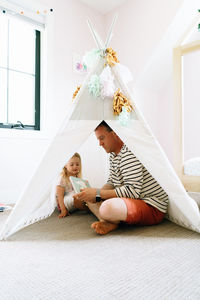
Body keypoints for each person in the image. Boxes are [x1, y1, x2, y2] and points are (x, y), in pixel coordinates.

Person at [73, 121, 169, 235]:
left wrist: (98, 194)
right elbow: (112, 181)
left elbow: (132, 191)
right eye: (98, 139)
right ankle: (108, 220)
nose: (100, 143)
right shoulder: (113, 155)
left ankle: (108, 218)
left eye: (102, 138)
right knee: (91, 200)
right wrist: (92, 195)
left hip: (151, 205)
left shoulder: (129, 153)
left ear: (115, 134)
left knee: (106, 208)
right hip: (133, 200)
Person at [56, 152, 86, 218]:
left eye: (77, 164)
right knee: (78, 199)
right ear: (65, 165)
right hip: (65, 202)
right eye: (72, 165)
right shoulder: (63, 178)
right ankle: (90, 209)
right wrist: (63, 210)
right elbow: (59, 196)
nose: (75, 167)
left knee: (90, 195)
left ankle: (96, 204)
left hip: (74, 197)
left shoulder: (77, 177)